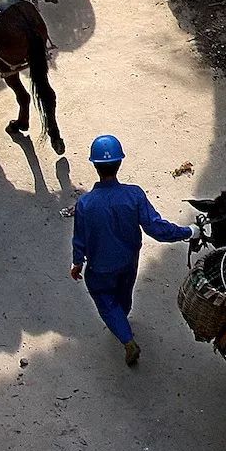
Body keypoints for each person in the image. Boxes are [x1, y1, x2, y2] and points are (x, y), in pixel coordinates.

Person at [71, 134, 200, 368]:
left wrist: (77, 262)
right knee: (123, 298)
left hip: (100, 269)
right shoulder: (134, 195)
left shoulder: (85, 204)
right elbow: (157, 228)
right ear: (120, 163)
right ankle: (122, 319)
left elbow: (79, 238)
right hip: (129, 263)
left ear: (94, 166)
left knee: (105, 301)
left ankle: (127, 340)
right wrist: (189, 232)